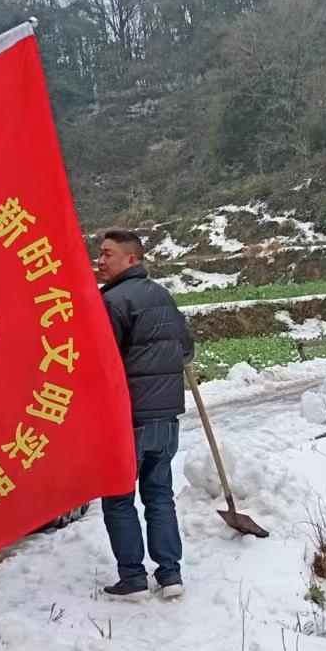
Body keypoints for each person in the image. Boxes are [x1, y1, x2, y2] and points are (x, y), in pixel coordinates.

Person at [96, 230, 194, 602]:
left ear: (131, 259)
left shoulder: (112, 303)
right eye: (100, 253)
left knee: (119, 498)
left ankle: (133, 578)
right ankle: (170, 575)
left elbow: (101, 361)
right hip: (166, 419)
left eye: (108, 254)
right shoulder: (163, 296)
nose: (100, 261)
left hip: (128, 420)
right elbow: (186, 350)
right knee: (159, 495)